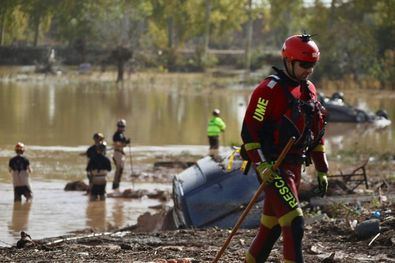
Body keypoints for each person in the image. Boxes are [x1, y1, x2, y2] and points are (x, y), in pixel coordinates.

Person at [241, 34, 329, 263]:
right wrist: (262, 165)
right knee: (294, 223)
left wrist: (321, 168)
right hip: (274, 166)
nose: (308, 70)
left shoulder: (309, 89)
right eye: (304, 65)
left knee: (270, 229)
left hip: (296, 166)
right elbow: (249, 132)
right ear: (288, 61)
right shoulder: (268, 90)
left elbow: (315, 132)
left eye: (313, 65)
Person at [112, 119, 130, 192]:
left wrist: (126, 143)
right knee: (118, 170)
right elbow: (117, 144)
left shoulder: (122, 135)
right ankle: (115, 186)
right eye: (120, 126)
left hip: (120, 153)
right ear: (117, 126)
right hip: (117, 153)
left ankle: (117, 186)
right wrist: (125, 143)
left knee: (121, 170)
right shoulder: (116, 135)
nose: (121, 127)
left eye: (122, 126)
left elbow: (122, 145)